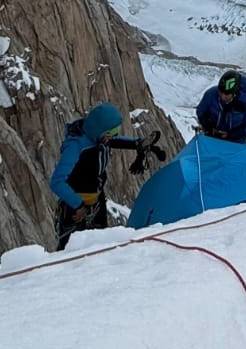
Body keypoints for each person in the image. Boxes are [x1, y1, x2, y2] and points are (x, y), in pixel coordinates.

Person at [50, 102, 166, 250]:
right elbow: (57, 182)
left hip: (96, 202)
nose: (111, 137)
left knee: (98, 249)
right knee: (71, 253)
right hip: (75, 210)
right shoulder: (75, 146)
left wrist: (138, 144)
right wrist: (78, 205)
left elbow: (114, 141)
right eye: (109, 133)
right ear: (99, 131)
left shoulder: (98, 138)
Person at [195, 70, 246, 143]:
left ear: (235, 94)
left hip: (236, 142)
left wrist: (231, 135)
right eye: (220, 92)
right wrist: (209, 127)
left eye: (226, 94)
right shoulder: (211, 94)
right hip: (212, 136)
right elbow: (200, 111)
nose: (222, 96)